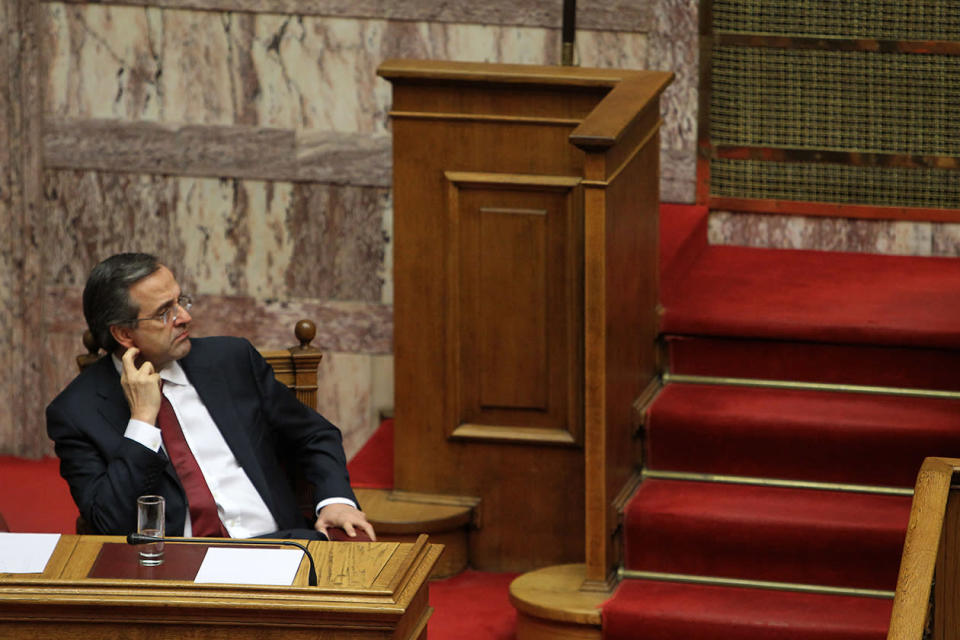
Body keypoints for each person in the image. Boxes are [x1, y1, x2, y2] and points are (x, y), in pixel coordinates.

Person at [46, 253, 375, 541]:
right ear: (124, 334)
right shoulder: (77, 412)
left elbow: (313, 434)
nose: (184, 317)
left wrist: (336, 501)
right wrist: (142, 422)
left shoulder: (231, 362)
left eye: (180, 301)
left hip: (280, 547)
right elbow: (110, 526)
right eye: (165, 312)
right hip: (176, 576)